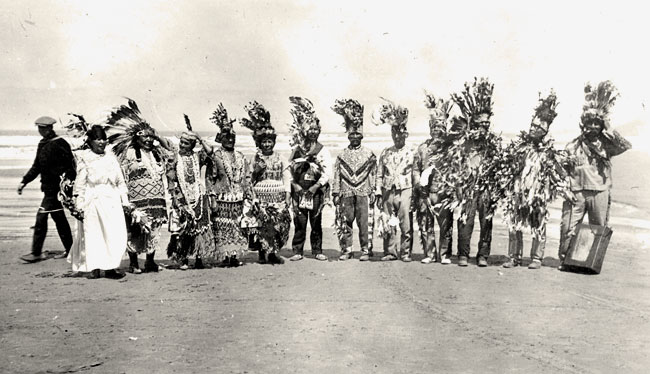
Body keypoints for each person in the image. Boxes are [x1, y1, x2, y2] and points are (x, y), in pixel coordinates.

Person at [558, 81, 631, 268]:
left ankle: (591, 263)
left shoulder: (607, 145)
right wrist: (566, 187)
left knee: (598, 227)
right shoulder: (572, 145)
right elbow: (561, 169)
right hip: (577, 191)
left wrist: (609, 128)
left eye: (596, 124)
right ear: (583, 124)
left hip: (599, 190)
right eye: (588, 123)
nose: (592, 127)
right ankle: (565, 260)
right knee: (568, 227)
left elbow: (625, 146)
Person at [501, 91, 571, 269]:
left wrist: (563, 186)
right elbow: (508, 168)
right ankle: (513, 257)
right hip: (518, 192)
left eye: (538, 128)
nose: (533, 130)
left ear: (544, 131)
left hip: (538, 193)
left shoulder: (547, 152)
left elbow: (558, 173)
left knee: (538, 223)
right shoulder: (519, 148)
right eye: (532, 126)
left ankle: (536, 258)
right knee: (514, 223)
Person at [106, 99, 172, 273]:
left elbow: (172, 150)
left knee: (154, 230)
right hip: (136, 199)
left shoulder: (158, 153)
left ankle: (150, 262)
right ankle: (134, 263)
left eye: (151, 137)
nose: (149, 140)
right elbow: (119, 175)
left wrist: (157, 135)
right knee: (135, 231)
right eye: (145, 137)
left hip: (157, 199)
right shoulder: (128, 154)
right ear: (137, 138)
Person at [450, 77, 502, 267]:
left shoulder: (493, 142)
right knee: (466, 221)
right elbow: (455, 164)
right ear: (474, 123)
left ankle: (483, 255)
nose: (484, 127)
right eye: (481, 124)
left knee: (486, 222)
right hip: (468, 186)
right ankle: (463, 254)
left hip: (487, 188)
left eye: (487, 124)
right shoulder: (464, 142)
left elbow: (500, 167)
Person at [68, 125, 129, 279]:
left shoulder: (111, 158)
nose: (101, 142)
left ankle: (110, 267)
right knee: (94, 234)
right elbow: (80, 185)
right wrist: (79, 205)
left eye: (103, 139)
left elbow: (120, 182)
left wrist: (125, 201)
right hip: (93, 200)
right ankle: (94, 267)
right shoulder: (85, 159)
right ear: (91, 141)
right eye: (97, 139)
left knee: (114, 233)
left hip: (111, 199)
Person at [18, 116, 76, 263]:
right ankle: (71, 250)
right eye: (39, 128)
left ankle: (36, 253)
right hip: (48, 189)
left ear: (50, 128)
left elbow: (71, 166)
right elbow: (36, 166)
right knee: (59, 220)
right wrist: (24, 181)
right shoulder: (42, 144)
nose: (40, 131)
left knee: (41, 218)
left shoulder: (60, 143)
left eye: (43, 128)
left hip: (56, 190)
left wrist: (67, 185)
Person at [240, 101, 291, 265]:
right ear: (259, 143)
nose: (267, 144)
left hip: (278, 195)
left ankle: (274, 252)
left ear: (273, 142)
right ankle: (263, 252)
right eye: (264, 142)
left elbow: (286, 176)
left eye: (270, 141)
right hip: (260, 195)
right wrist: (256, 171)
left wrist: (288, 195)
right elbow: (248, 179)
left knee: (278, 225)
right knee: (261, 225)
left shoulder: (280, 157)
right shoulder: (254, 158)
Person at [331, 99, 377, 261]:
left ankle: (365, 250)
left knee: (364, 222)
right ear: (348, 135)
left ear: (362, 135)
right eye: (352, 134)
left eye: (358, 134)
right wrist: (335, 192)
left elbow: (373, 173)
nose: (355, 136)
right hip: (346, 192)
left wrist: (374, 191)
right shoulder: (342, 154)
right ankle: (347, 249)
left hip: (364, 191)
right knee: (345, 221)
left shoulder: (369, 153)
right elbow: (337, 174)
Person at [287, 96, 332, 261]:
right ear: (304, 130)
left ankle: (317, 250)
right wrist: (295, 186)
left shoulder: (322, 150)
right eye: (310, 129)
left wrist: (316, 187)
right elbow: (289, 169)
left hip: (316, 191)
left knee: (316, 222)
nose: (313, 132)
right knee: (299, 221)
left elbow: (328, 172)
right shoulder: (297, 149)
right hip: (299, 190)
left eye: (316, 129)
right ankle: (297, 251)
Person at [207, 103, 251, 267]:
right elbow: (210, 178)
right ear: (221, 139)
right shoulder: (216, 156)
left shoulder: (241, 156)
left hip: (238, 198)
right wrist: (211, 198)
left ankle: (234, 255)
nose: (230, 140)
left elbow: (246, 177)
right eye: (227, 138)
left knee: (236, 226)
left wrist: (248, 194)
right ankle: (225, 256)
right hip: (221, 198)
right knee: (222, 226)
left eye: (233, 138)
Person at [166, 128, 216, 270]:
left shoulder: (197, 157)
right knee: (184, 229)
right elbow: (170, 180)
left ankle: (199, 258)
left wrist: (200, 138)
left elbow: (210, 152)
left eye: (186, 143)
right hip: (182, 196)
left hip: (198, 194)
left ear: (192, 145)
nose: (182, 145)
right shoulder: (174, 157)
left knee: (200, 228)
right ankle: (184, 259)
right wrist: (175, 197)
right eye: (181, 142)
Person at [414, 92, 454, 265]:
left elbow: (457, 171)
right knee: (425, 224)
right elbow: (416, 169)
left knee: (446, 225)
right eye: (434, 128)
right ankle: (429, 253)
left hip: (444, 193)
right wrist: (418, 183)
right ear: (430, 128)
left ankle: (444, 254)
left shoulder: (452, 149)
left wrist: (452, 189)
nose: (437, 131)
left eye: (440, 128)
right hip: (425, 193)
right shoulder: (423, 148)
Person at [373, 98, 416, 262]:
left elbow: (415, 173)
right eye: (394, 133)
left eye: (400, 133)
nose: (397, 137)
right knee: (387, 221)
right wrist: (378, 192)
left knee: (406, 223)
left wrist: (415, 195)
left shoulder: (412, 151)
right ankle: (390, 252)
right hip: (387, 190)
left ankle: (405, 252)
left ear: (405, 134)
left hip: (406, 190)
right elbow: (379, 173)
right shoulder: (385, 152)